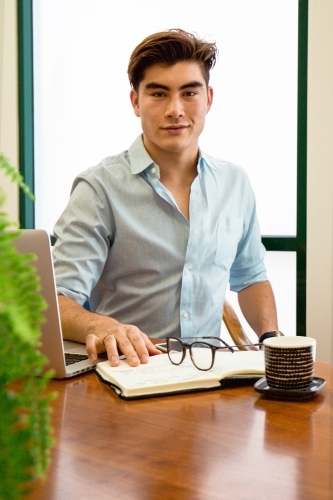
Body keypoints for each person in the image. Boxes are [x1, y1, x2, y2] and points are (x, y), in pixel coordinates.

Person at [53, 29, 278, 368]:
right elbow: (55, 300)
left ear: (209, 99)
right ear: (135, 102)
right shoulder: (99, 189)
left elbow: (251, 278)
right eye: (158, 94)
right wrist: (102, 325)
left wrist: (271, 339)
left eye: (189, 93)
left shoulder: (235, 183)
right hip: (130, 373)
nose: (175, 110)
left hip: (211, 377)